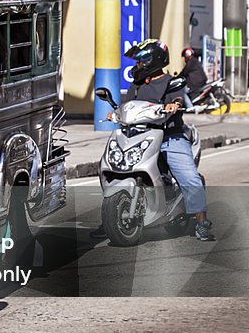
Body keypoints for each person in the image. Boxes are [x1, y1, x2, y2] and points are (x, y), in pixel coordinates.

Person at [91, 39, 215, 242]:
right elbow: (128, 106)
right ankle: (110, 219)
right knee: (107, 165)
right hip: (139, 135)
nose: (137, 66)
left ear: (153, 61)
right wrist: (115, 114)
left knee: (189, 176)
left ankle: (201, 222)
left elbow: (178, 98)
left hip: (169, 136)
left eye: (141, 62)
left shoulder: (170, 82)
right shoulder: (137, 85)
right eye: (137, 62)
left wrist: (174, 105)